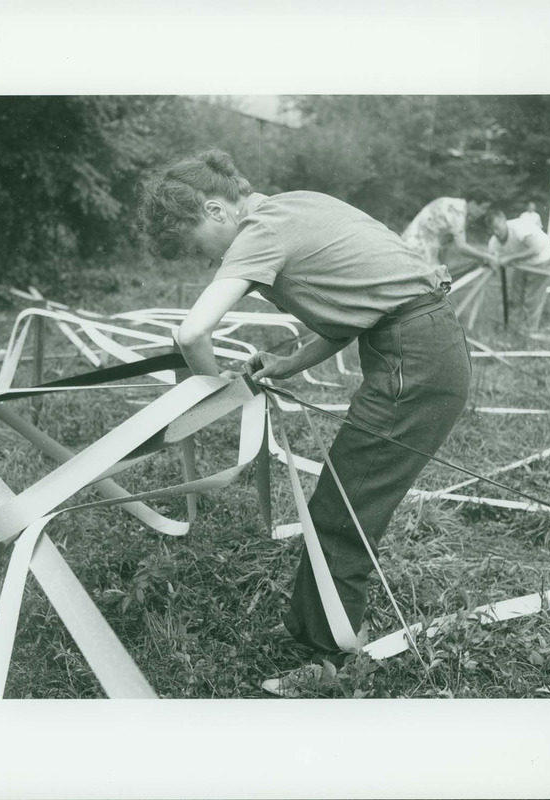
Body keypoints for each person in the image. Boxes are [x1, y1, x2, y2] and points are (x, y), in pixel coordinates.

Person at [137, 149, 472, 697]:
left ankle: (332, 663)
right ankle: (316, 628)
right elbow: (368, 305)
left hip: (415, 358)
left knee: (343, 509)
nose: (210, 264)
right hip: (417, 344)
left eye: (200, 247)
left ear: (217, 210)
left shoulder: (261, 229)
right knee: (343, 501)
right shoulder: (298, 206)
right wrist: (288, 363)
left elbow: (191, 334)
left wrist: (215, 398)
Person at [487, 208, 550, 330]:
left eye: (498, 227)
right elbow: (492, 259)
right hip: (522, 263)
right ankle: (513, 328)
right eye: (492, 230)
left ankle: (529, 331)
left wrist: (509, 258)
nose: (496, 232)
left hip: (542, 258)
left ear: (504, 221)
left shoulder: (519, 228)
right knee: (516, 296)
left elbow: (535, 249)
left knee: (532, 297)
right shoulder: (493, 243)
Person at [401, 190, 496, 271]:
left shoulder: (455, 205)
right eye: (483, 208)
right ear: (473, 203)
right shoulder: (458, 213)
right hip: (417, 247)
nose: (483, 213)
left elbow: (446, 244)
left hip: (414, 244)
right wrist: (486, 256)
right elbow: (461, 247)